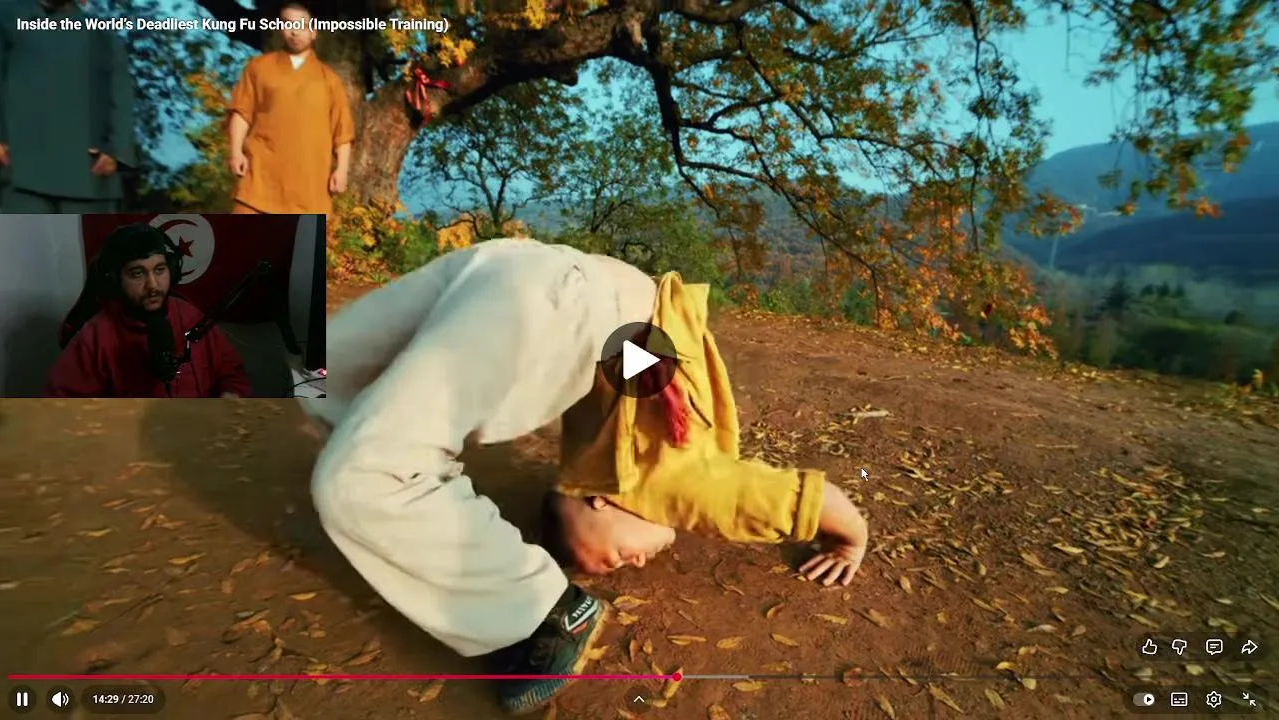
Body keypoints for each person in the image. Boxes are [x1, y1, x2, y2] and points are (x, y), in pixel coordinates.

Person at [305, 239, 869, 715]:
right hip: (564, 291)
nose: (637, 561)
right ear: (603, 501)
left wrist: (645, 355)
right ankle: (546, 613)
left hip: (527, 268)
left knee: (326, 374)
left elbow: (627, 336)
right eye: (630, 557)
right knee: (364, 473)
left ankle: (369, 442)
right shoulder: (673, 483)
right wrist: (851, 538)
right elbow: (790, 496)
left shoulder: (617, 461)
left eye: (622, 562)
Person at [46, 224, 252, 398]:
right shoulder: (95, 336)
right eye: (138, 273)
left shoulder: (190, 317)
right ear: (115, 279)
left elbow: (232, 373)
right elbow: (61, 401)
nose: (153, 285)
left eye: (160, 270)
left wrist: (231, 396)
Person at [0, 0, 137, 212]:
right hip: (20, 171)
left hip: (89, 173)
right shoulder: (8, 17)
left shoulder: (102, 36)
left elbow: (120, 94)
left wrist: (117, 151)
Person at [226, 1, 354, 214]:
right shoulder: (258, 68)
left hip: (310, 185)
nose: (295, 31)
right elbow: (241, 112)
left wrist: (341, 170)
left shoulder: (330, 81)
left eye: (301, 25)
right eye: (288, 24)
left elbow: (343, 133)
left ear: (313, 32)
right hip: (260, 177)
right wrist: (235, 152)